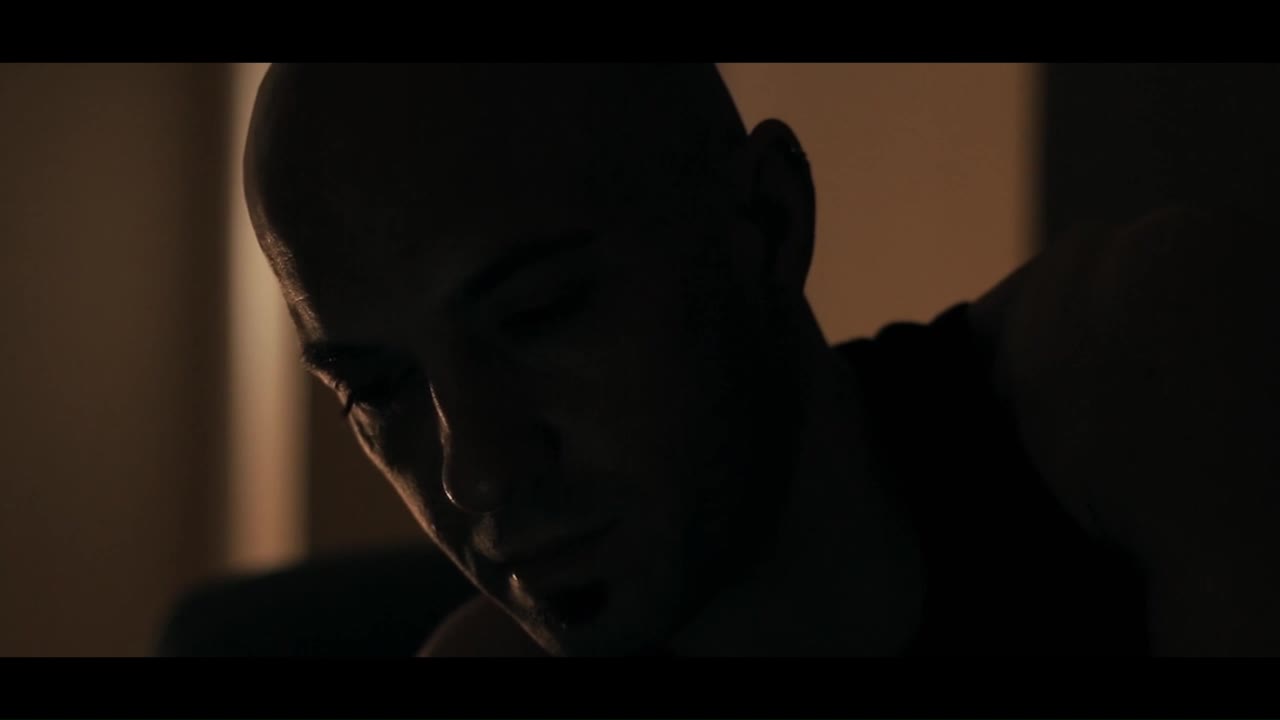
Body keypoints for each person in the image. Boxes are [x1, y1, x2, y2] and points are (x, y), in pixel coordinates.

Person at [240, 63, 1280, 657]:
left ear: (766, 224)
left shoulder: (1135, 364)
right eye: (378, 388)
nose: (476, 471)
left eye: (538, 315)